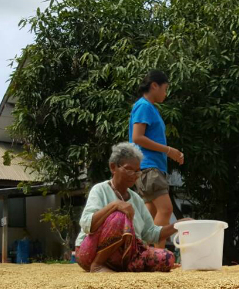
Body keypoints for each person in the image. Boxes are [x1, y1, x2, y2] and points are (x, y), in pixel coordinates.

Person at [75, 143, 185, 273]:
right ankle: (97, 265)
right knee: (120, 216)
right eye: (129, 169)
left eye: (137, 171)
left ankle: (121, 266)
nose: (134, 175)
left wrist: (177, 225)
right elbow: (87, 224)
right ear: (113, 167)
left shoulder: (136, 199)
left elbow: (150, 233)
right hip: (90, 252)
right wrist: (115, 205)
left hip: (125, 256)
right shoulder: (100, 190)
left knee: (167, 258)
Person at [129, 70, 184, 248]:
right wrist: (169, 150)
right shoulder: (144, 106)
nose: (166, 94)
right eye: (165, 88)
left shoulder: (149, 107)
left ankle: (142, 253)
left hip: (149, 167)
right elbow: (137, 137)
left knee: (149, 214)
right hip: (149, 167)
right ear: (154, 85)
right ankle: (157, 255)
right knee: (166, 209)